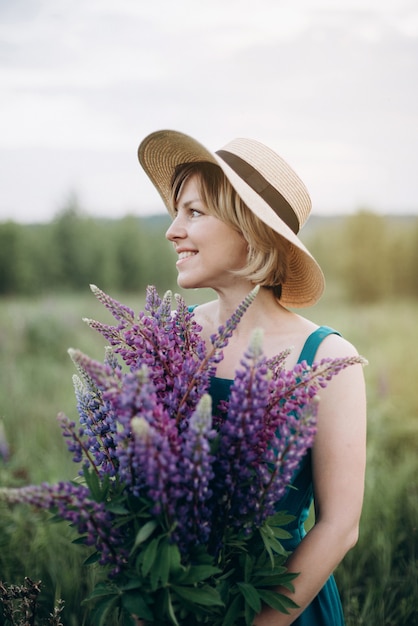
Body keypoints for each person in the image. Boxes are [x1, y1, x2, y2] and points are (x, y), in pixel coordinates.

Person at [137, 130, 367, 626]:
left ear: (250, 231)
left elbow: (340, 527)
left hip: (278, 604)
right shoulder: (174, 336)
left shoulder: (328, 358)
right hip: (179, 602)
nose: (172, 230)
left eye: (194, 212)